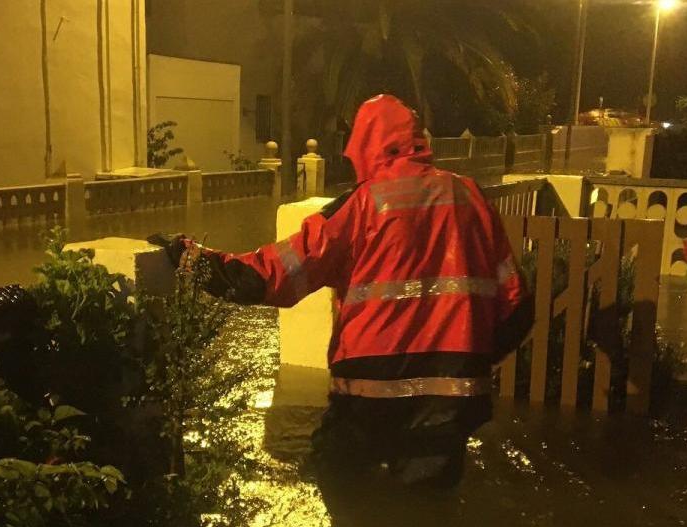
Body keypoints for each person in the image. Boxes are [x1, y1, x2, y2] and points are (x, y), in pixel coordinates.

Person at [150, 94, 532, 488]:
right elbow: (518, 307)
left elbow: (270, 276)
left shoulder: (360, 206)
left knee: (339, 497)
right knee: (427, 519)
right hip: (452, 401)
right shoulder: (471, 197)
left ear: (368, 146)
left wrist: (191, 259)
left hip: (367, 397)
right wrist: (467, 363)